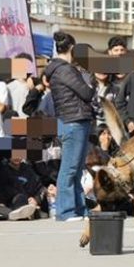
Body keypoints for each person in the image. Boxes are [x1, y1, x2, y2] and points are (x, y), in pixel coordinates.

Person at [45, 31, 94, 222]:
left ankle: (79, 208)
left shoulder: (59, 69)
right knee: (70, 168)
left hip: (72, 120)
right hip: (73, 121)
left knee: (76, 168)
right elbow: (86, 93)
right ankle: (65, 211)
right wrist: (90, 81)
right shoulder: (64, 69)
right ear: (72, 48)